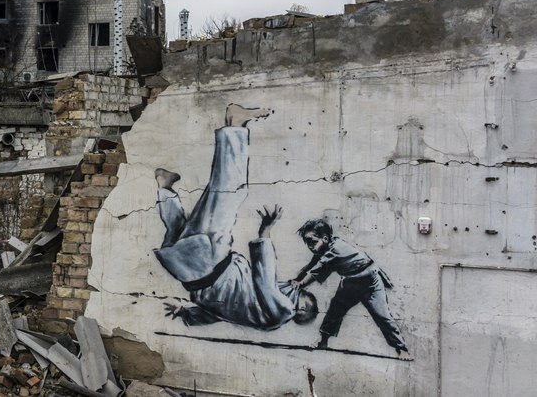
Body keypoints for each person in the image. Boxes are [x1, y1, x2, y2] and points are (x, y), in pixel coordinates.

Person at [157, 104, 316, 330]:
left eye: (298, 294)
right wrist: (185, 313)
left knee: (230, 192)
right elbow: (217, 313)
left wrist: (265, 233)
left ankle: (236, 124)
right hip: (186, 273)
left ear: (301, 309)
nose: (292, 287)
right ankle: (165, 187)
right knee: (180, 230)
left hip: (212, 261)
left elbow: (266, 283)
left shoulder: (284, 311)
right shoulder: (255, 314)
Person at [290, 219, 411, 360]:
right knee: (334, 311)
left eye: (312, 241)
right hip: (350, 282)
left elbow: (315, 272)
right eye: (307, 242)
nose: (310, 246)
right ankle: (323, 341)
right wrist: (297, 279)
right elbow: (311, 266)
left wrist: (300, 284)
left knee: (382, 315)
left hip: (370, 281)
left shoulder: (334, 250)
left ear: (325, 238)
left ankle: (401, 348)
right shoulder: (326, 247)